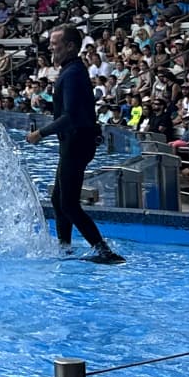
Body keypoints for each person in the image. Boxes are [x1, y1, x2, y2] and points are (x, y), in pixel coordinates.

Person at [27, 24, 125, 263]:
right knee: (58, 200)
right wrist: (49, 106)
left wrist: (41, 133)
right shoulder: (71, 70)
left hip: (77, 142)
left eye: (55, 44)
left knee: (68, 204)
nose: (51, 47)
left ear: (70, 46)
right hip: (75, 141)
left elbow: (71, 116)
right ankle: (64, 247)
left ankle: (104, 250)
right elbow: (72, 108)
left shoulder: (71, 73)